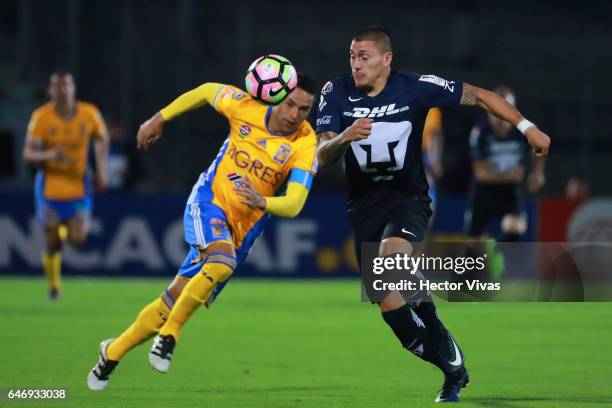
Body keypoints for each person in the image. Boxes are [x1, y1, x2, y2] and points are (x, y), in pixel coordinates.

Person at [315, 26, 550, 403]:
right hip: (363, 207)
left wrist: (527, 127)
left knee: (393, 258)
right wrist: (344, 137)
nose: (356, 64)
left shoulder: (416, 86)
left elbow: (481, 97)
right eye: (352, 57)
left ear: (386, 59)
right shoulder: (335, 92)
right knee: (388, 304)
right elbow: (321, 157)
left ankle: (436, 327)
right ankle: (451, 369)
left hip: (407, 198)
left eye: (364, 57)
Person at [87, 73, 318, 390]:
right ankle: (170, 336)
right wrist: (160, 118)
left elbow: (294, 205)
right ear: (277, 97)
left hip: (243, 229)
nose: (295, 114)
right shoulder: (245, 106)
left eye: (304, 109)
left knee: (173, 298)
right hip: (209, 201)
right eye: (291, 104)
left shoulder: (305, 144)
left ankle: (111, 353)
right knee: (221, 263)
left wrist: (262, 201)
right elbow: (207, 91)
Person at [22, 71, 109, 300]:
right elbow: (28, 153)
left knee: (78, 239)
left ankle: (61, 228)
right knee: (51, 239)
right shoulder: (41, 117)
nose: (62, 90)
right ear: (51, 91)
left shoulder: (89, 114)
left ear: (73, 89)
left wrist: (101, 168)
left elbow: (102, 137)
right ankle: (54, 286)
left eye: (66, 85)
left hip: (78, 186)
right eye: (57, 86)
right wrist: (50, 154)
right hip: (50, 187)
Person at [465, 85, 546, 242]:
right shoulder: (480, 132)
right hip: (484, 191)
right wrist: (510, 176)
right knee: (473, 240)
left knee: (516, 229)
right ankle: (485, 254)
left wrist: (537, 173)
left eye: (508, 107)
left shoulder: (523, 130)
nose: (502, 115)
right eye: (497, 108)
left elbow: (540, 146)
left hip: (509, 191)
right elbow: (480, 174)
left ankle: (497, 254)